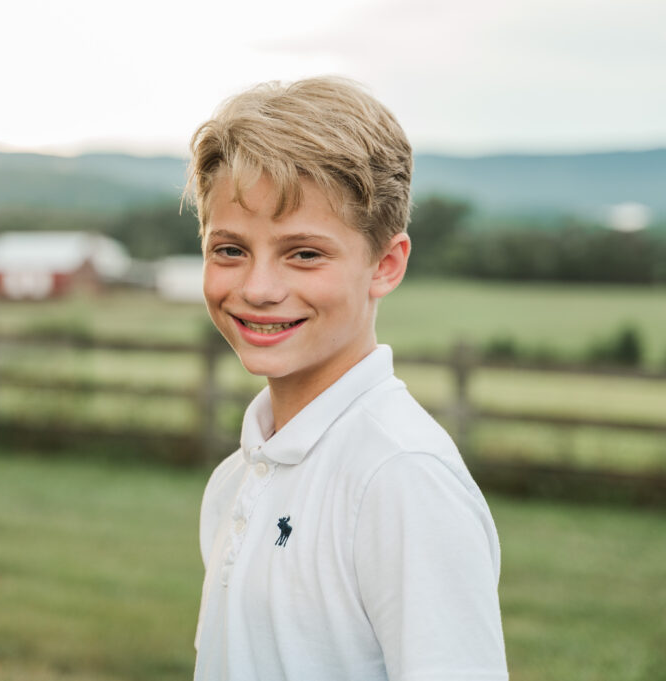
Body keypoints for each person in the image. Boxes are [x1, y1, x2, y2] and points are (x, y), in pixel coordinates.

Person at [187, 77, 508, 681]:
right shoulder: (236, 477)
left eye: (304, 253)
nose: (257, 288)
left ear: (385, 265)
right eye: (229, 249)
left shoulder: (400, 477)